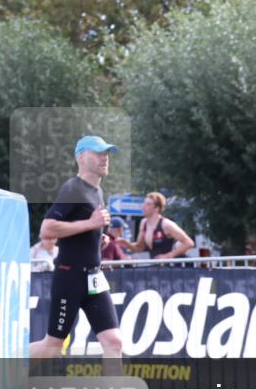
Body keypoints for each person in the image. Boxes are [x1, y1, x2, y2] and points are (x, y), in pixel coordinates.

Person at [28, 135, 123, 375]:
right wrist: (90, 224)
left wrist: (96, 239)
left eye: (107, 153)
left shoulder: (97, 190)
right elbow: (47, 229)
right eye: (98, 153)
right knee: (52, 346)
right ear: (81, 158)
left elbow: (80, 227)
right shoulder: (73, 188)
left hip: (93, 279)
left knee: (114, 342)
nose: (105, 158)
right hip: (70, 279)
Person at [117, 191, 194, 259]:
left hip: (169, 268)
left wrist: (169, 256)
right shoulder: (143, 223)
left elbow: (189, 243)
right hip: (154, 267)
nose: (143, 206)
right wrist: (127, 244)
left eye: (148, 204)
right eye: (144, 203)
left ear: (156, 208)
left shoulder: (166, 224)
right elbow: (140, 247)